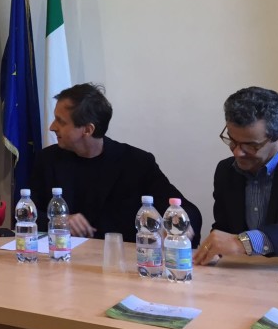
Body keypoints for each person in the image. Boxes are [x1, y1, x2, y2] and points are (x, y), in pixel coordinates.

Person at [30, 83, 202, 245]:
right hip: (62, 257)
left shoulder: (137, 163)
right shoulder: (47, 160)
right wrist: (58, 221)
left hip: (120, 259)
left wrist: (181, 223)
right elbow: (27, 212)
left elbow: (186, 209)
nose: (52, 127)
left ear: (88, 130)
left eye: (61, 121)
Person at [195, 87, 278, 265]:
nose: (237, 152)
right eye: (232, 141)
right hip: (245, 273)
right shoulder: (226, 170)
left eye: (251, 145)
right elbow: (225, 230)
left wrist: (247, 242)